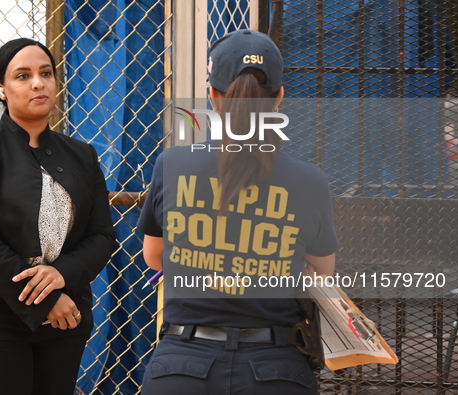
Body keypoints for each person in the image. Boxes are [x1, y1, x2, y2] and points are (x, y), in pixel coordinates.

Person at [137, 29, 338, 394]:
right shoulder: (310, 181)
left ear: (212, 95)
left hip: (181, 366)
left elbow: (154, 257)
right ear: (278, 97)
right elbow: (321, 272)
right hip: (276, 368)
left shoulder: (172, 164)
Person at [0, 38, 116, 395]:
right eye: (23, 76)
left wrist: (60, 277)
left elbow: (102, 235)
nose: (38, 83)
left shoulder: (82, 155)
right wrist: (45, 301)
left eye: (46, 73)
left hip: (65, 310)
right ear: (2, 89)